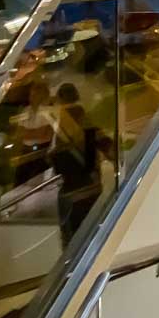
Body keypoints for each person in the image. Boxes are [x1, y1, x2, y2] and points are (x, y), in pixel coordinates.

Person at [51, 83, 103, 246]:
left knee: (74, 234)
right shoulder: (86, 118)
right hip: (90, 184)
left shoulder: (63, 120)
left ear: (61, 98)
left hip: (73, 187)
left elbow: (57, 155)